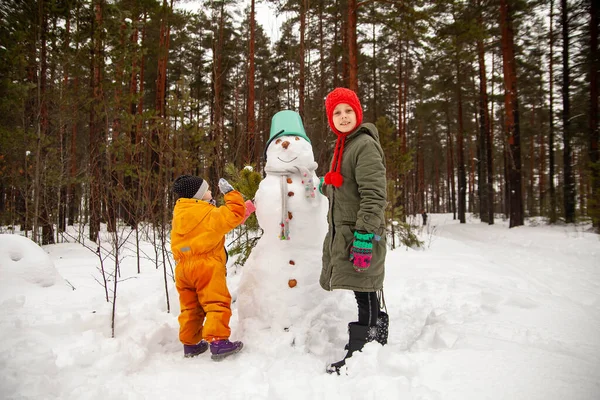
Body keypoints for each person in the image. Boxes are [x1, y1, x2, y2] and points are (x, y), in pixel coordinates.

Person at [318, 87, 388, 374]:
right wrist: (322, 184)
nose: (343, 116)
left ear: (357, 114)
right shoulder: (344, 146)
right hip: (349, 231)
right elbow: (346, 187)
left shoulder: (363, 145)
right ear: (330, 118)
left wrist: (364, 235)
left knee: (365, 289)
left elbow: (374, 194)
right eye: (337, 112)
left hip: (361, 232)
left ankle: (362, 353)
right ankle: (375, 341)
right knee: (366, 289)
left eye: (348, 111)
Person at [171, 175, 252, 360]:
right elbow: (234, 215)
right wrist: (231, 194)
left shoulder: (180, 212)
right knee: (216, 302)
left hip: (183, 268)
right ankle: (218, 342)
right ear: (198, 196)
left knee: (191, 307)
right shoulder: (208, 214)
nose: (210, 192)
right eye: (206, 190)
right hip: (206, 266)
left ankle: (190, 344)